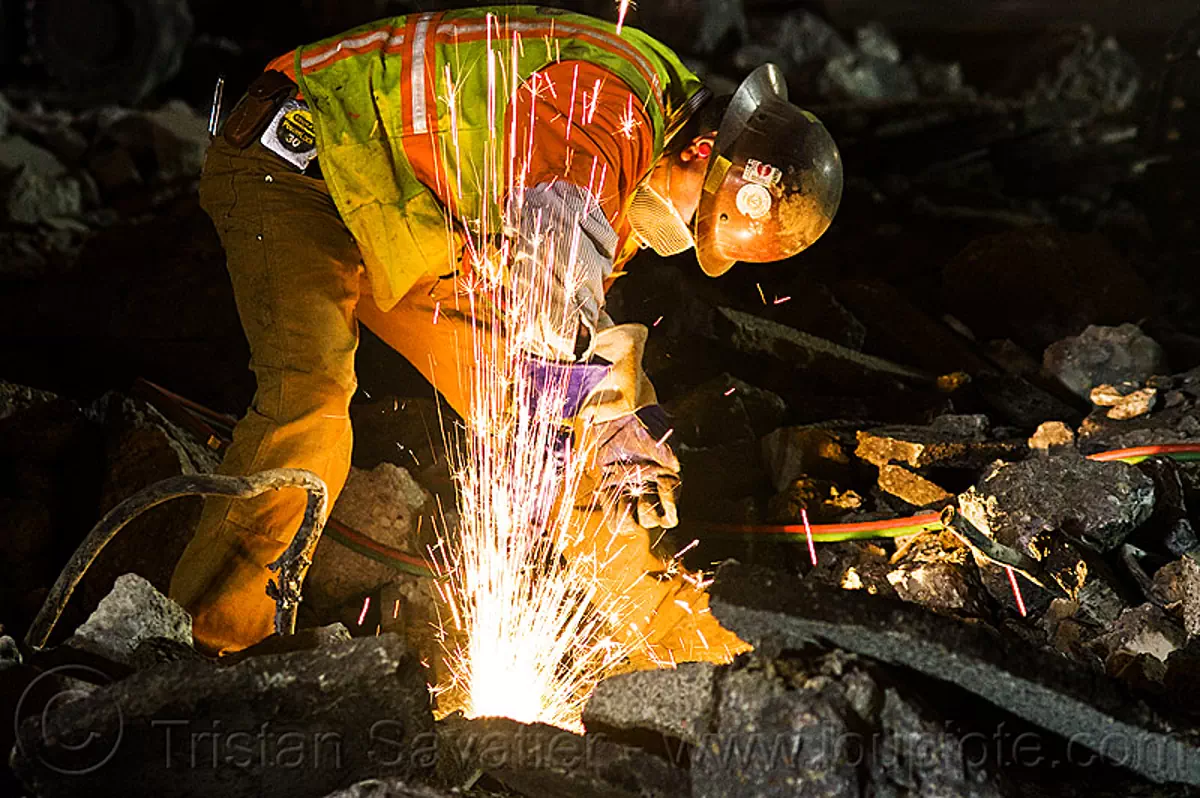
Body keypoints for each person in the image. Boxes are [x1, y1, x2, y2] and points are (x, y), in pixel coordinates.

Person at [169, 5, 843, 665]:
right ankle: (212, 646)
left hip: (409, 212)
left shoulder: (648, 147)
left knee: (589, 415)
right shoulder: (609, 107)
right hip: (297, 166)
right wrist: (565, 410)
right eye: (699, 212)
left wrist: (633, 423)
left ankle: (672, 642)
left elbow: (571, 318)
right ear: (703, 152)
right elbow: (555, 265)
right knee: (310, 394)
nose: (677, 227)